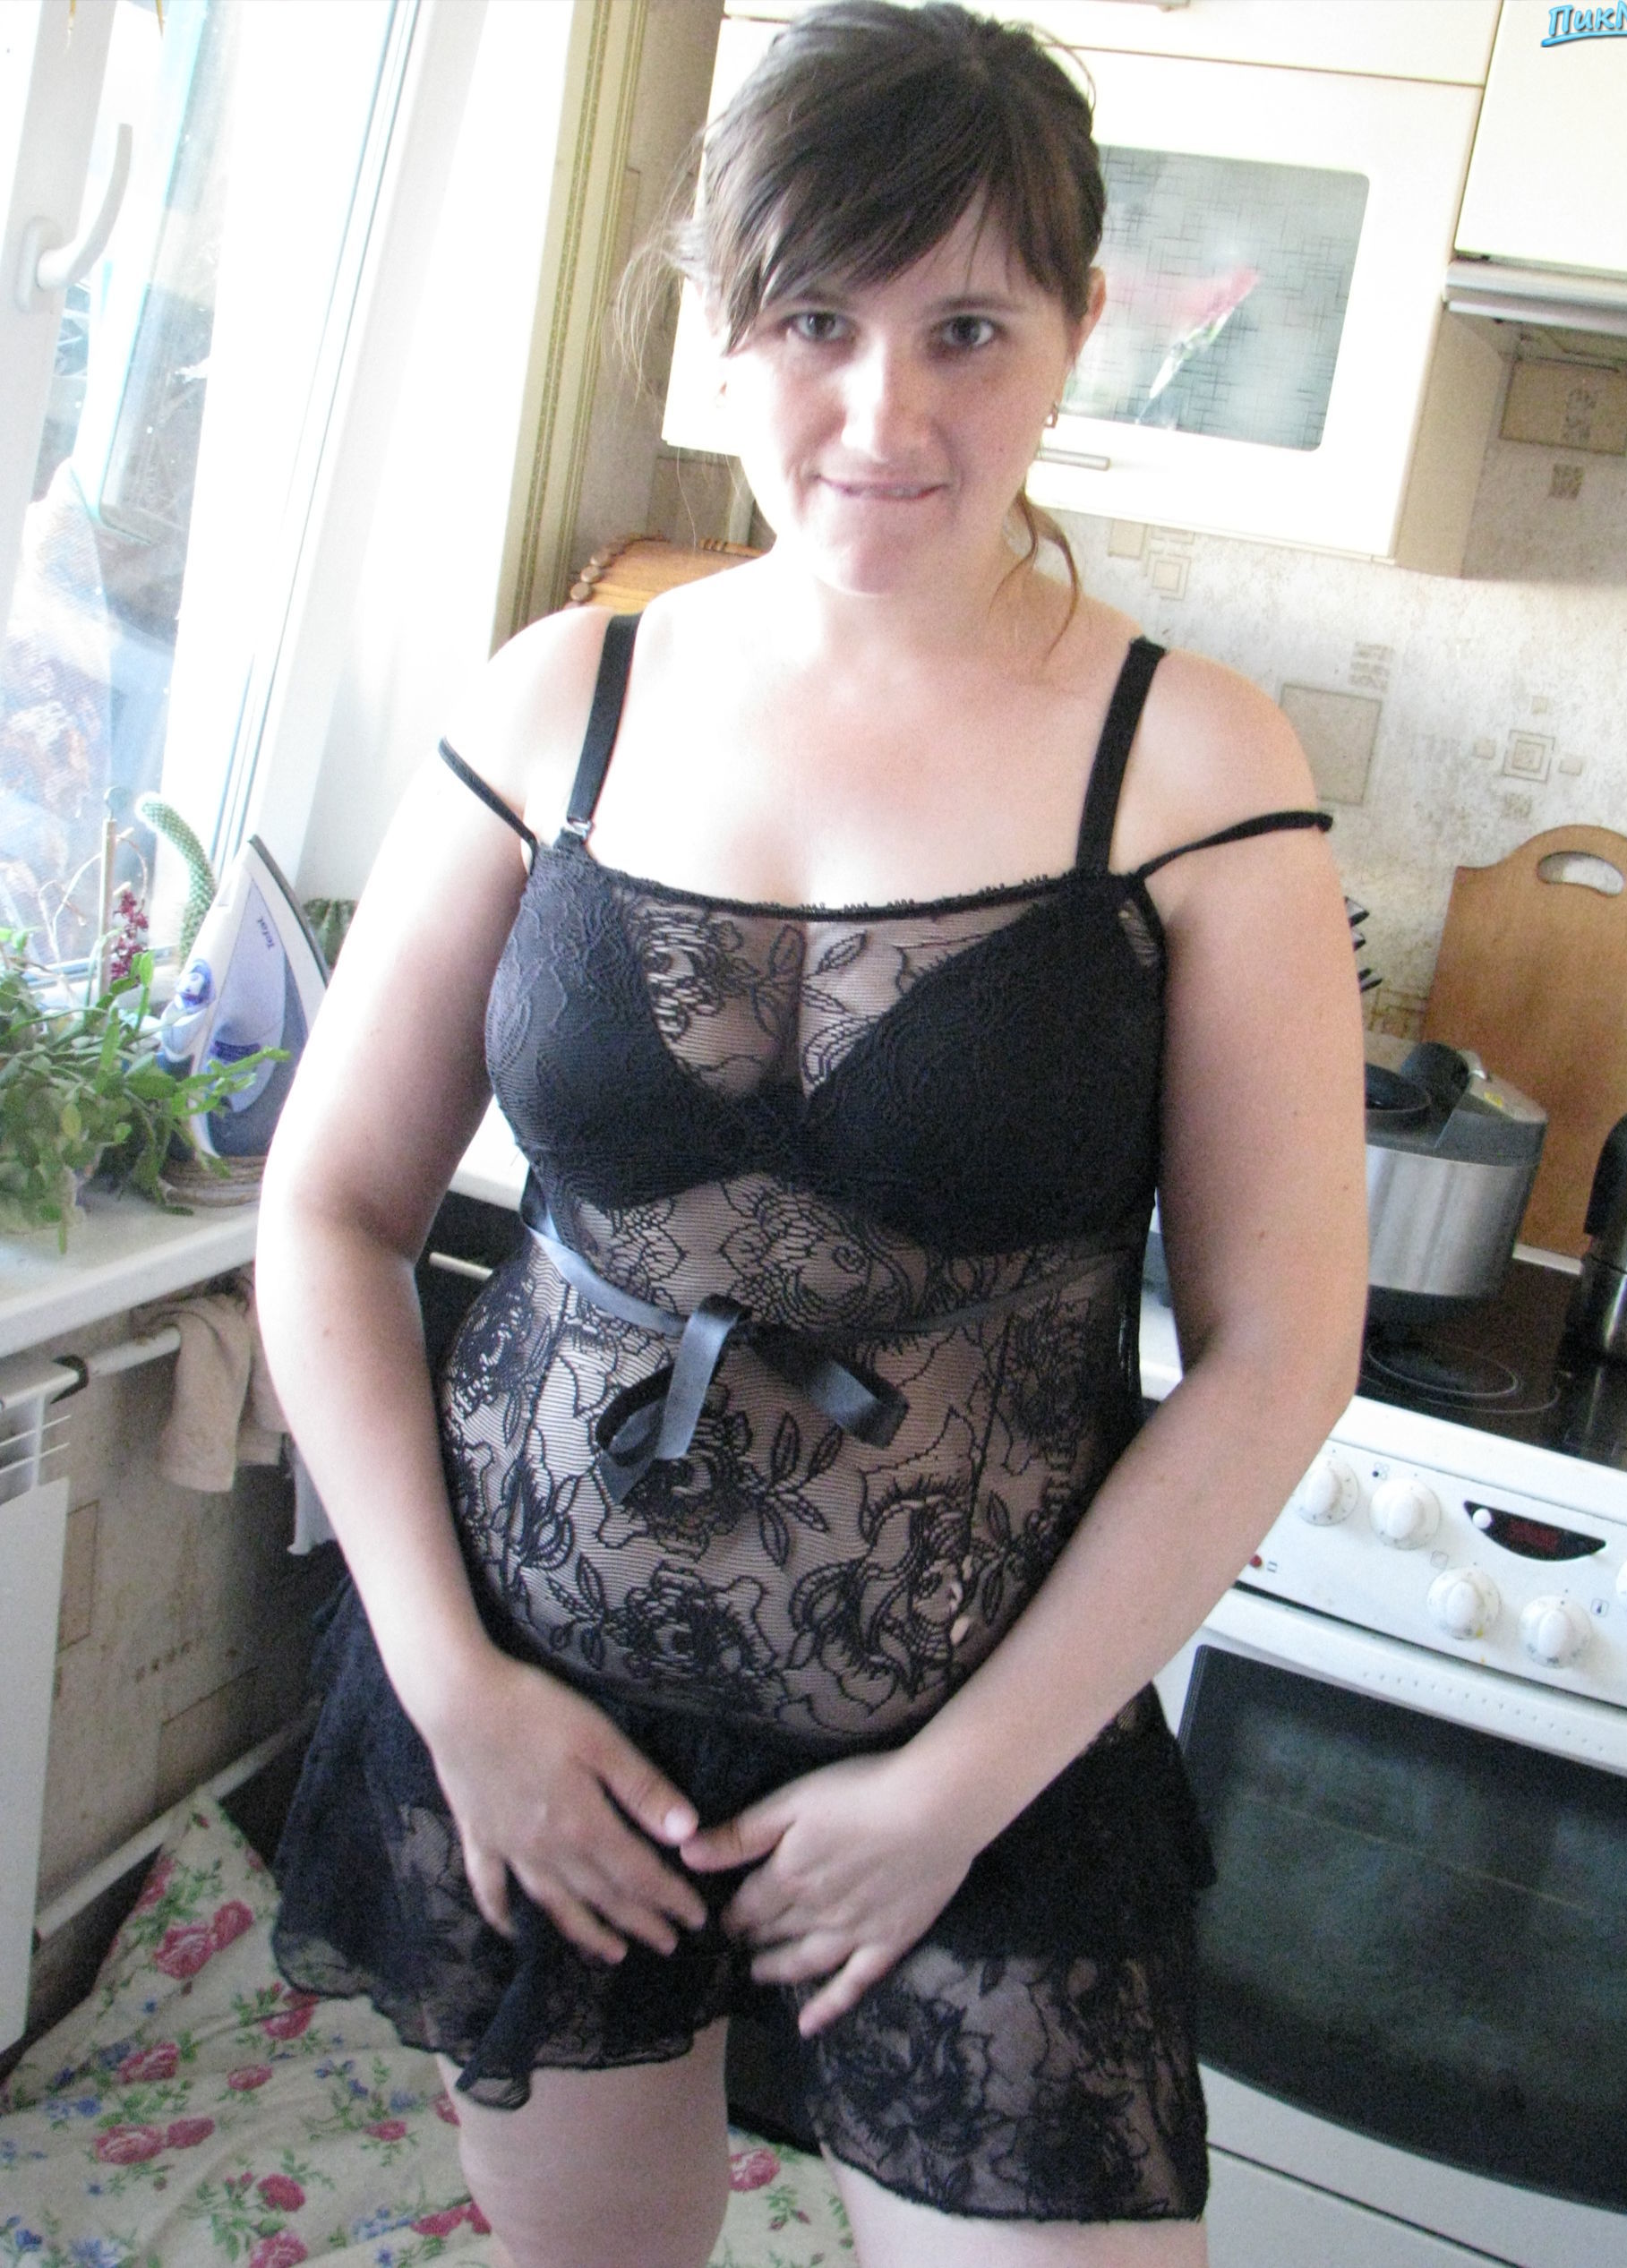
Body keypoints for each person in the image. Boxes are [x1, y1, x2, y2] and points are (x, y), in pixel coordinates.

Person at [255, 5, 1366, 2264]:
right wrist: (456, 1692)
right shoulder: (562, 697)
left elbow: (1277, 1351)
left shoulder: (1189, 762)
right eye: (812, 323)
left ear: (1074, 332)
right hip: (533, 1714)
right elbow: (333, 1208)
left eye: (966, 327)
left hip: (983, 1761)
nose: (882, 415)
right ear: (723, 328)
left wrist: (950, 1791)